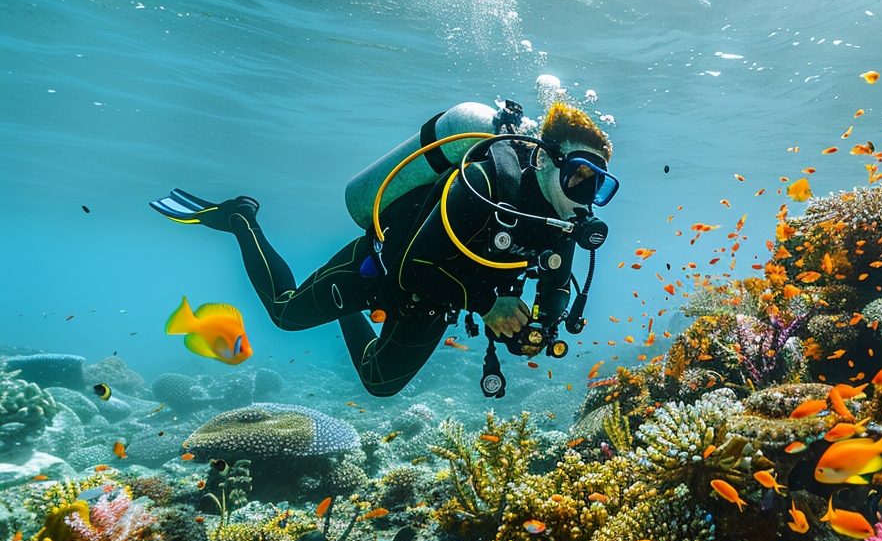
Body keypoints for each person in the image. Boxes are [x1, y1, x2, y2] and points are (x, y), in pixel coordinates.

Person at [151, 101, 618, 397]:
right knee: (284, 314)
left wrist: (534, 327)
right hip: (381, 266)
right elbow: (411, 266)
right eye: (579, 174)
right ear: (547, 158)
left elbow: (556, 288)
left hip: (436, 303)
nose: (585, 193)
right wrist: (486, 303)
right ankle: (240, 219)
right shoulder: (486, 180)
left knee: (379, 384)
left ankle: (343, 312)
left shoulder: (561, 224)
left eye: (599, 186)